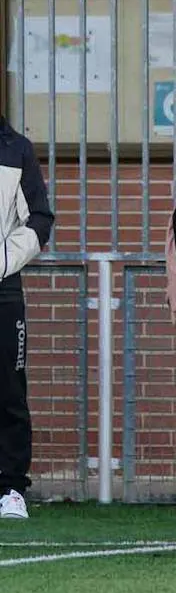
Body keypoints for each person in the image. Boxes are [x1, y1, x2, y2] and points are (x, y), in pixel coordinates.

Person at [0, 117, 54, 521]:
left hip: (3, 288)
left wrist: (2, 262)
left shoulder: (15, 148)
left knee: (8, 390)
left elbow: (39, 217)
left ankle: (11, 487)